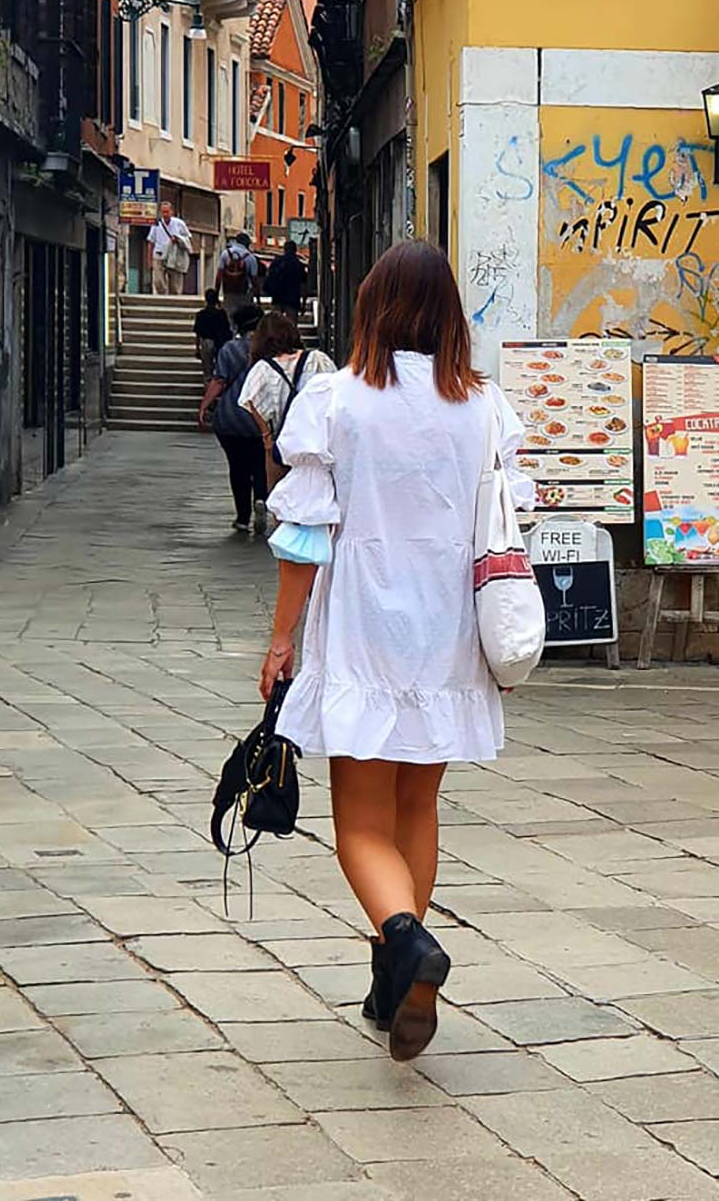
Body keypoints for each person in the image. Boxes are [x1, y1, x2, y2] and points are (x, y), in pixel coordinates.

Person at [258, 241, 533, 1063]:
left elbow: (303, 535)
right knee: (418, 806)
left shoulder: (339, 401)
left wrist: (280, 640)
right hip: (448, 637)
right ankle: (397, 977)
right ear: (451, 316)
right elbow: (510, 520)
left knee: (359, 826)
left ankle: (408, 944)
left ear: (372, 308)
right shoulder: (484, 407)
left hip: (365, 632)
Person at [238, 312, 336, 490]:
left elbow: (250, 402)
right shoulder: (318, 359)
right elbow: (336, 394)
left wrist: (266, 436)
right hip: (320, 443)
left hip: (282, 446)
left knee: (281, 502)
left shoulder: (263, 369)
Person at [198, 304, 268, 536]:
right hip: (262, 417)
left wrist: (205, 405)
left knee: (237, 467)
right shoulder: (271, 350)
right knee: (260, 463)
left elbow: (219, 381)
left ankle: (242, 516)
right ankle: (261, 498)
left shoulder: (229, 350)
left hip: (231, 417)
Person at [147, 202, 193, 296]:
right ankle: (162, 299)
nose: (165, 214)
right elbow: (151, 241)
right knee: (158, 281)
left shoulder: (179, 223)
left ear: (171, 212)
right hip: (159, 255)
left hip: (174, 256)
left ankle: (175, 302)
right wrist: (149, 259)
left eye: (167, 212)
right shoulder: (156, 224)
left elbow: (188, 238)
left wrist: (178, 239)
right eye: (163, 212)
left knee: (175, 285)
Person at [263, 241, 308, 321]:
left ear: (284, 249)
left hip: (277, 296)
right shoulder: (298, 264)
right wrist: (303, 303)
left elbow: (269, 277)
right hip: (292, 298)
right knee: (291, 325)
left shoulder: (276, 262)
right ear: (295, 250)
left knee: (276, 323)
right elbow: (304, 285)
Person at [193, 288, 231, 383]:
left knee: (207, 370)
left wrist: (197, 348)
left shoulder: (201, 314)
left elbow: (198, 333)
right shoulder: (221, 314)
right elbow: (227, 330)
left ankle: (208, 387)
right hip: (220, 342)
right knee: (220, 368)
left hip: (207, 341)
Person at [216, 232, 259, 315]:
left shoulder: (225, 254)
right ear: (247, 243)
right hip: (244, 294)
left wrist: (217, 294)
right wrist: (257, 299)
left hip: (229, 292)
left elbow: (219, 276)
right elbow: (254, 280)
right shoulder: (251, 258)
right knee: (244, 319)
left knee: (229, 318)